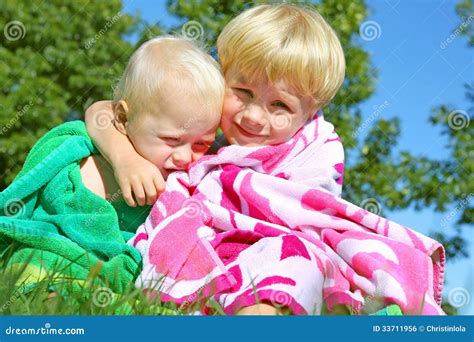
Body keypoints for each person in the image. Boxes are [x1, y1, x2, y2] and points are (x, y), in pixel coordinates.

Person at [85, 4, 445, 316]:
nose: (254, 117)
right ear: (222, 75)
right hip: (209, 247)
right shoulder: (204, 114)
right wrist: (125, 157)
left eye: (280, 106)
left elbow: (307, 219)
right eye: (242, 92)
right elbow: (103, 112)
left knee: (297, 258)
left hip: (275, 252)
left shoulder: (313, 149)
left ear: (310, 111)